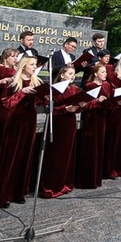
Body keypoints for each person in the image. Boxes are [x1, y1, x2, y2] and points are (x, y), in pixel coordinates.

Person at [0, 56, 43, 209]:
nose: (34, 67)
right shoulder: (13, 82)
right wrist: (22, 93)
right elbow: (5, 103)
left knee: (25, 156)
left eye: (35, 65)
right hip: (15, 122)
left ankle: (19, 193)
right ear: (24, 66)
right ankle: (3, 195)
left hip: (29, 121)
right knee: (11, 157)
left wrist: (45, 97)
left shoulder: (36, 81)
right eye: (32, 65)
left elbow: (38, 102)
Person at [39, 64, 80, 198]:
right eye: (70, 74)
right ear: (62, 75)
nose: (72, 76)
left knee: (67, 154)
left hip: (70, 124)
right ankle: (51, 186)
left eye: (73, 74)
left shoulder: (75, 89)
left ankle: (64, 183)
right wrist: (64, 109)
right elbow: (47, 109)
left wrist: (81, 106)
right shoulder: (53, 89)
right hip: (56, 124)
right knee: (55, 155)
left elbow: (78, 107)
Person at [77, 62, 111, 189]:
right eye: (103, 72)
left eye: (106, 72)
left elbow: (108, 101)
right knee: (90, 147)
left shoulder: (107, 85)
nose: (105, 74)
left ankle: (97, 177)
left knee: (99, 146)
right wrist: (96, 101)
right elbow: (85, 104)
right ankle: (87, 179)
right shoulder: (89, 85)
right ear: (96, 74)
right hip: (91, 118)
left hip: (102, 117)